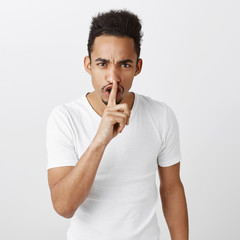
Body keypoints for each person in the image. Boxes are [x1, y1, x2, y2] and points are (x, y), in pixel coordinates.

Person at [46, 9, 188, 240]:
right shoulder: (64, 118)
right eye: (102, 64)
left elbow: (171, 189)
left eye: (124, 64)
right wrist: (100, 140)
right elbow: (63, 207)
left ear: (137, 67)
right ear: (88, 64)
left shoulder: (161, 115)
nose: (113, 77)